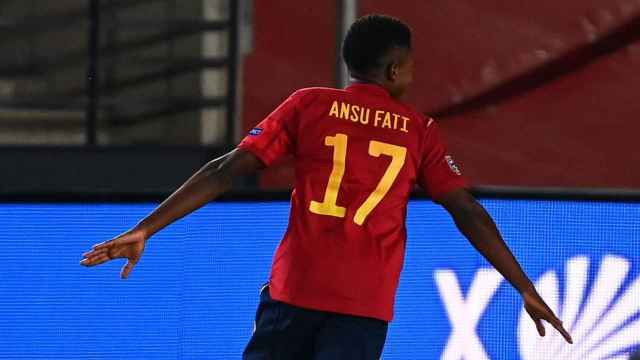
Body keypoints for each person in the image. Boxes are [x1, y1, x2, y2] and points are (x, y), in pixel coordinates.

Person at [80, 14, 572, 359]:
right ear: (396, 69)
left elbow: (226, 170)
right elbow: (466, 211)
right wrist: (523, 287)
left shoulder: (309, 105)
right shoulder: (418, 130)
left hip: (293, 292)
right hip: (362, 306)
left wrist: (147, 228)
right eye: (412, 66)